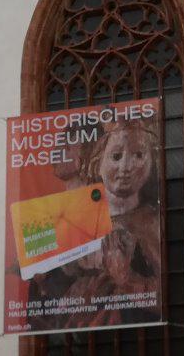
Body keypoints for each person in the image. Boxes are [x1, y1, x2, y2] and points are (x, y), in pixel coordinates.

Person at [26, 117, 165, 332]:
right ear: (98, 162)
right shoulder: (73, 217)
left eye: (68, 141)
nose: (125, 167)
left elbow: (168, 297)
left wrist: (126, 278)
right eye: (116, 157)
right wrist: (44, 280)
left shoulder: (148, 221)